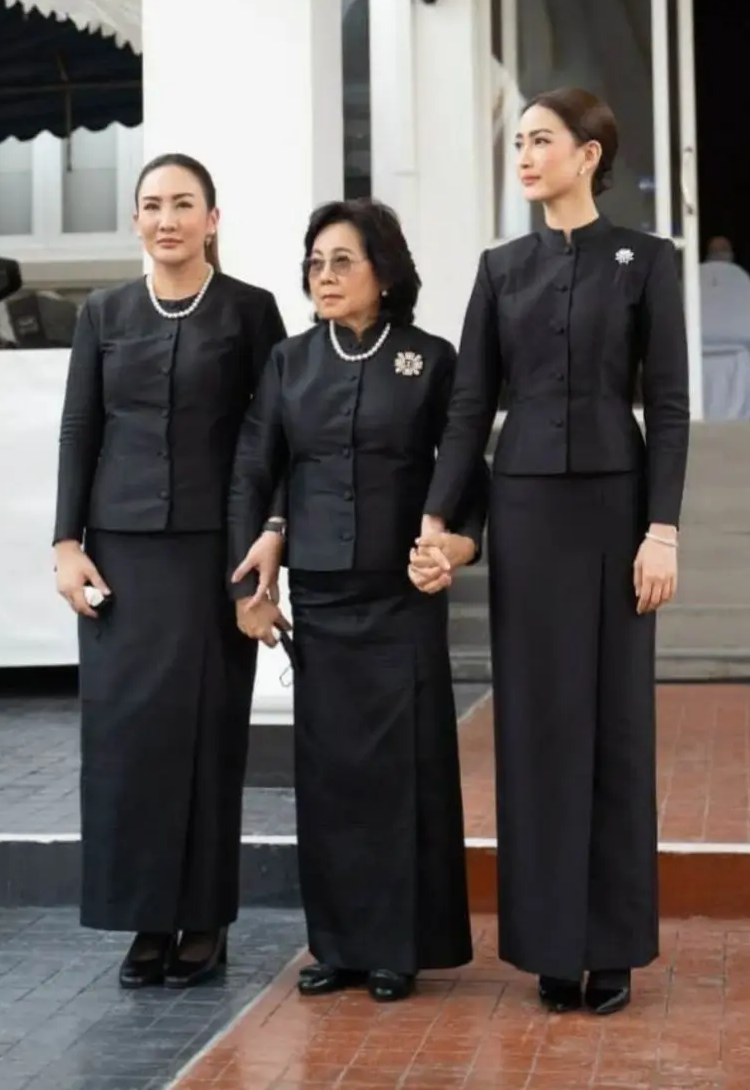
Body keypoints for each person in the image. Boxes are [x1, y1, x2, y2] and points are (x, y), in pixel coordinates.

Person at [418, 88, 689, 1016]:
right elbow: (469, 406)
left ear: (589, 154)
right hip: (527, 509)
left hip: (617, 510)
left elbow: (671, 405)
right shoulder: (500, 269)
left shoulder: (649, 260)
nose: (526, 156)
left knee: (615, 724)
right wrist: (437, 515)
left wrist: (663, 529)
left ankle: (609, 947)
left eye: (542, 140)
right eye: (520, 142)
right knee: (534, 723)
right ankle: (545, 943)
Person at [228, 199, 486, 1004]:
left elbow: (467, 473)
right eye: (315, 263)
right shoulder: (290, 361)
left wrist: (461, 544)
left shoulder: (429, 359)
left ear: (385, 271)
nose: (325, 276)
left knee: (401, 774)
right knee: (330, 775)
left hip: (401, 596)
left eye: (343, 260)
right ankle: (337, 945)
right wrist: (248, 586)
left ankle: (397, 947)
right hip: (322, 599)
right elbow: (257, 468)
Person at [52, 153, 285, 990]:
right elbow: (80, 428)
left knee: (208, 736)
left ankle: (205, 919)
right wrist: (65, 543)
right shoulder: (104, 311)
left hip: (215, 554)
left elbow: (275, 433)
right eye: (152, 205)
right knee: (128, 742)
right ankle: (147, 918)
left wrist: (271, 536)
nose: (167, 220)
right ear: (136, 220)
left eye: (184, 204)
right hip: (120, 555)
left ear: (212, 219)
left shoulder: (250, 310)